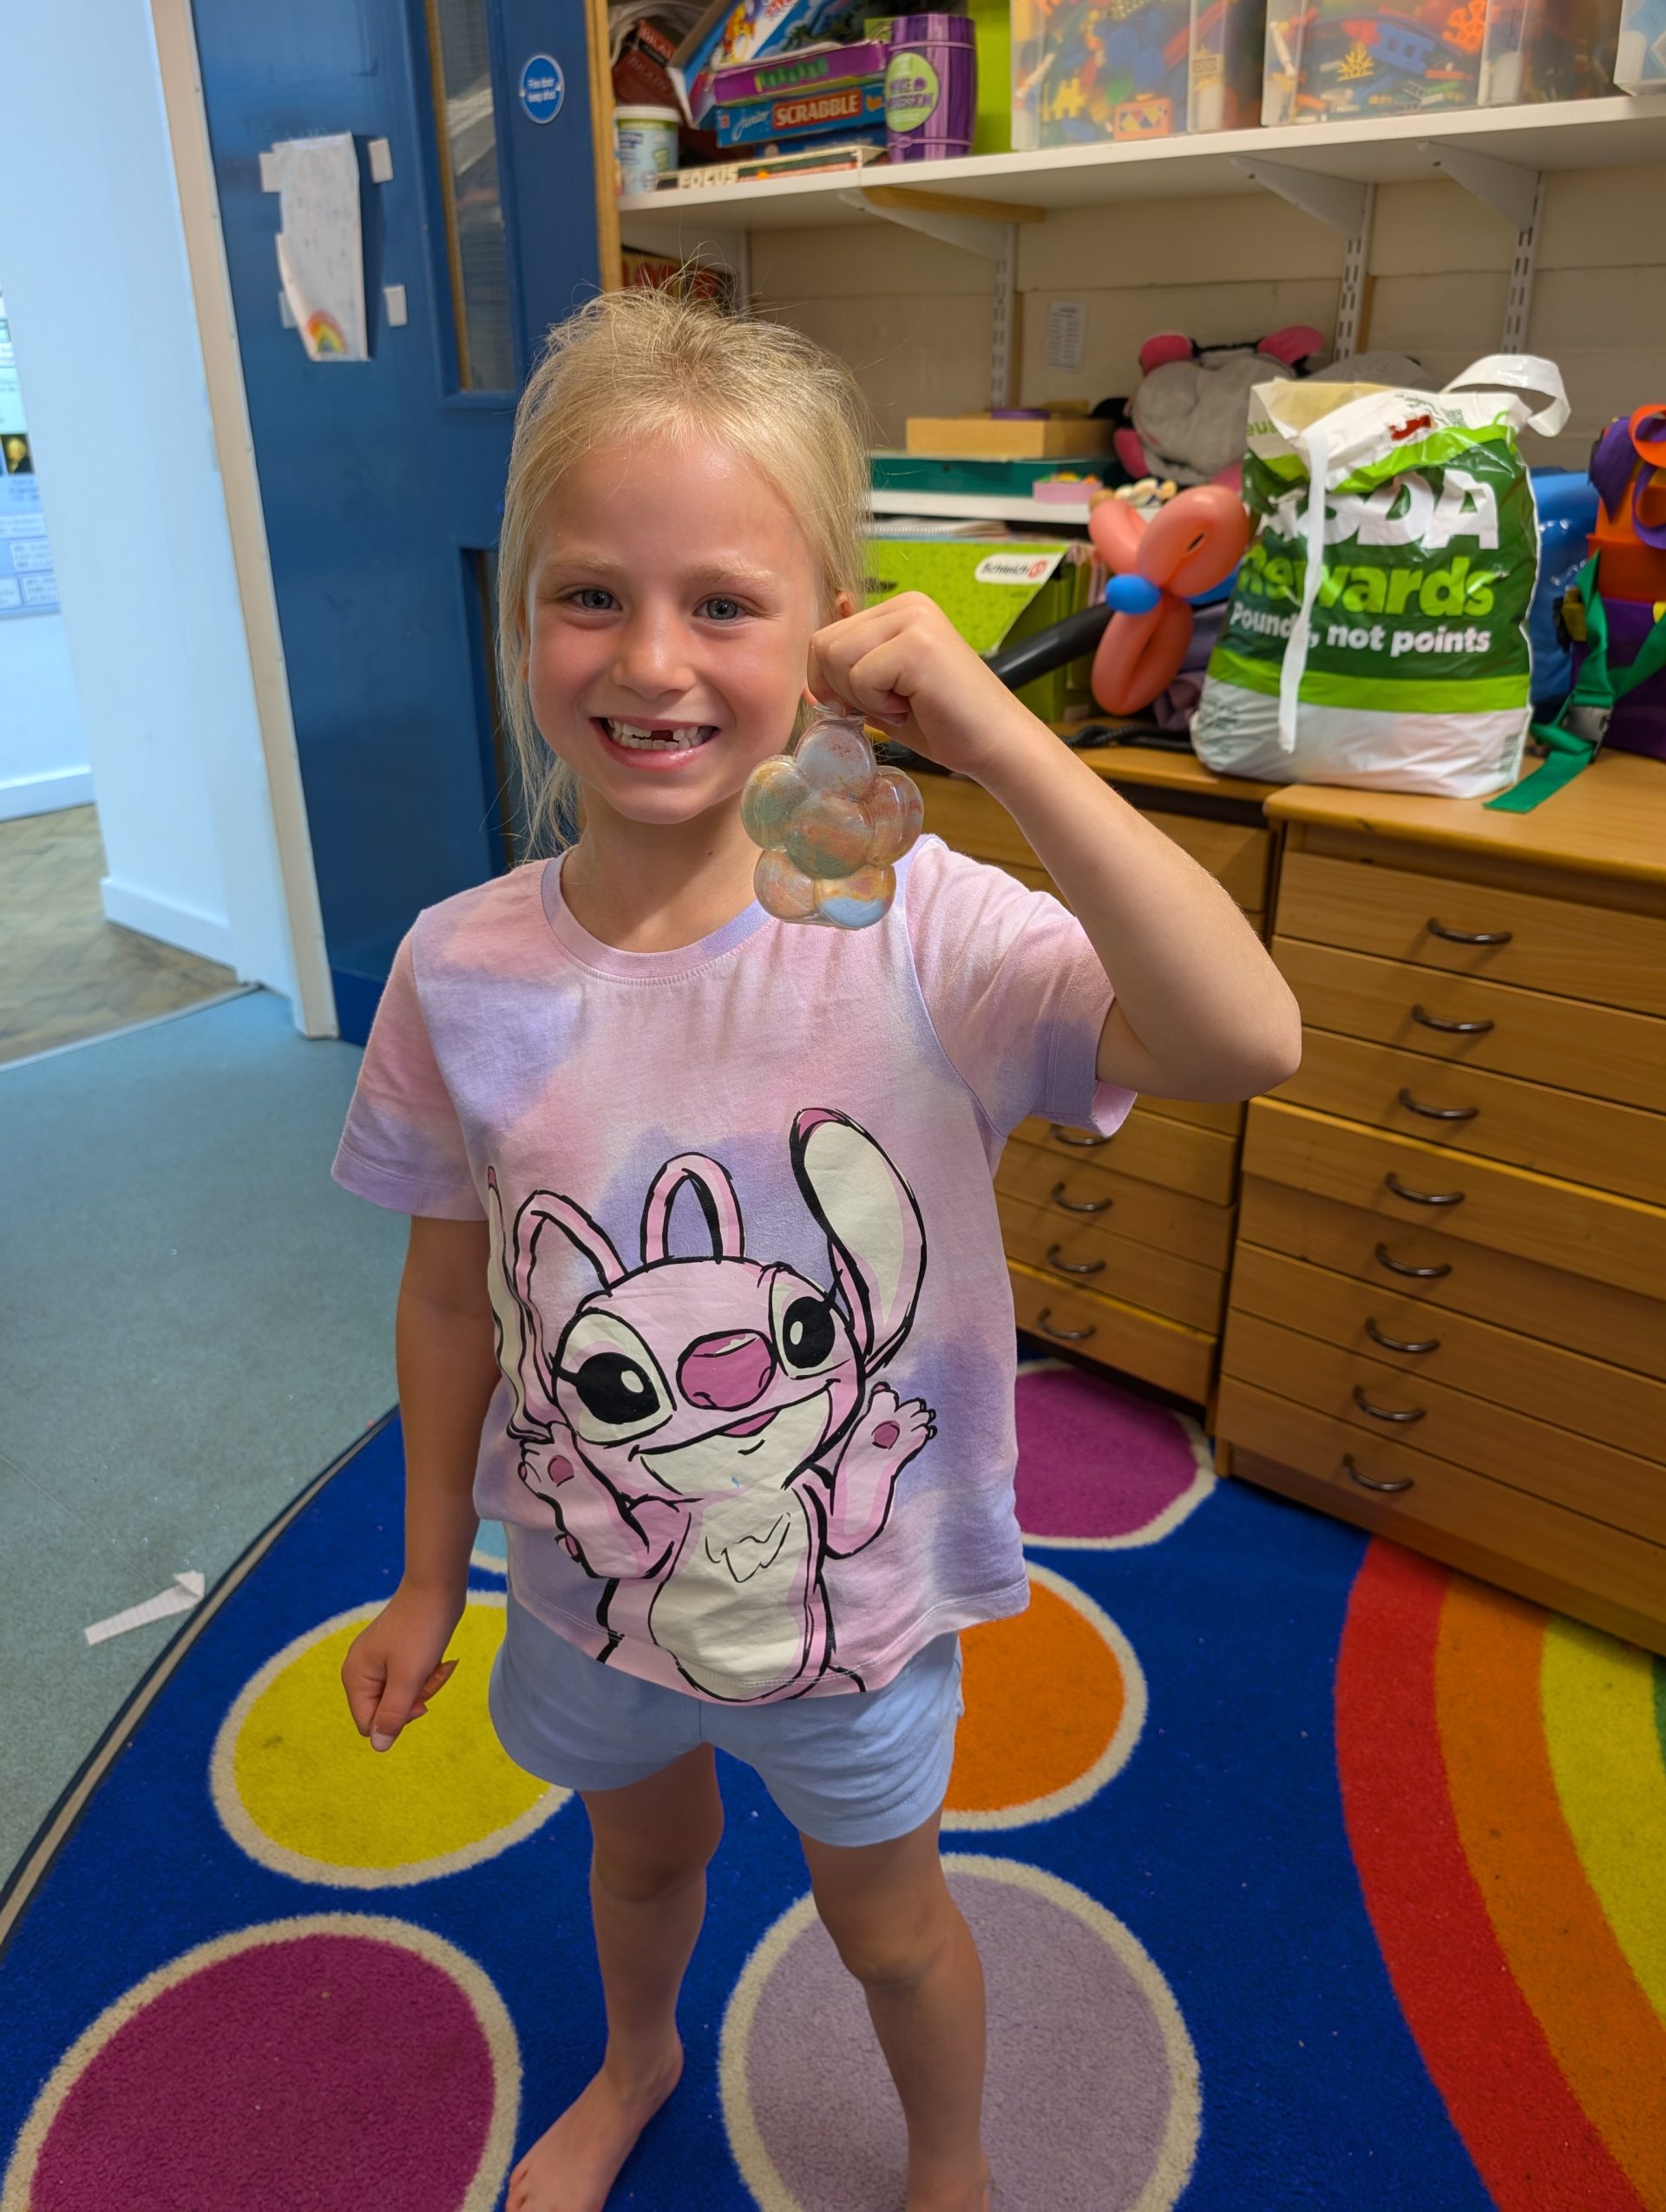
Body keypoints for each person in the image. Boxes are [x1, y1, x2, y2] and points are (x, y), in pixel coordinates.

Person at [335, 285, 1300, 2212]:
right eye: (589, 593)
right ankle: (635, 2059)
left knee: (887, 1929)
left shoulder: (918, 927)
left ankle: (946, 2161)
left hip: (849, 1628)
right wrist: (434, 1573)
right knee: (636, 1860)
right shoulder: (461, 964)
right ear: (524, 605)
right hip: (590, 1595)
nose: (651, 660)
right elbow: (454, 1294)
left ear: (829, 628)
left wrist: (1006, 744)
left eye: (725, 603)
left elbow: (1242, 1036)